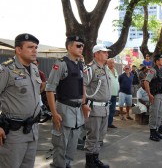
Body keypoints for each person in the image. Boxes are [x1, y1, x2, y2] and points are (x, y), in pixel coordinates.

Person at [45, 35, 87, 168]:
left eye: (82, 46)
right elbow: (49, 89)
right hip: (63, 109)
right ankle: (59, 165)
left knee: (73, 144)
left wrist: (84, 103)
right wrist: (54, 113)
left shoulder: (80, 63)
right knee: (61, 144)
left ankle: (67, 164)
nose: (81, 48)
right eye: (78, 45)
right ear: (69, 47)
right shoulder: (61, 63)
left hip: (77, 110)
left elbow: (82, 84)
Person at [0, 33, 41, 168]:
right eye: (30, 47)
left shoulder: (34, 68)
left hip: (32, 130)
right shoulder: (6, 69)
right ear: (18, 49)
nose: (35, 50)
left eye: (36, 47)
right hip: (14, 133)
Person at [84, 44, 111, 168]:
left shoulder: (104, 68)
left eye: (107, 52)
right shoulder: (90, 68)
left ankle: (96, 159)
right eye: (104, 52)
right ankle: (89, 162)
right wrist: (84, 104)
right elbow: (82, 85)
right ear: (96, 54)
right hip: (94, 107)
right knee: (93, 135)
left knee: (101, 135)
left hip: (105, 107)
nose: (107, 54)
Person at [144, 55, 162, 142]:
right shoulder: (153, 70)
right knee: (154, 113)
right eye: (161, 60)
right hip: (155, 95)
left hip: (161, 95)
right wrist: (149, 94)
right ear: (157, 61)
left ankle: (156, 131)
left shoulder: (161, 70)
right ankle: (152, 133)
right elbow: (146, 82)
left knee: (159, 114)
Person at [107, 58, 119, 128]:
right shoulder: (104, 69)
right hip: (108, 94)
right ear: (107, 63)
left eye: (113, 63)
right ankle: (105, 124)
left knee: (112, 109)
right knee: (107, 110)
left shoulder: (115, 70)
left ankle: (110, 123)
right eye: (110, 63)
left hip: (114, 93)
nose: (112, 64)